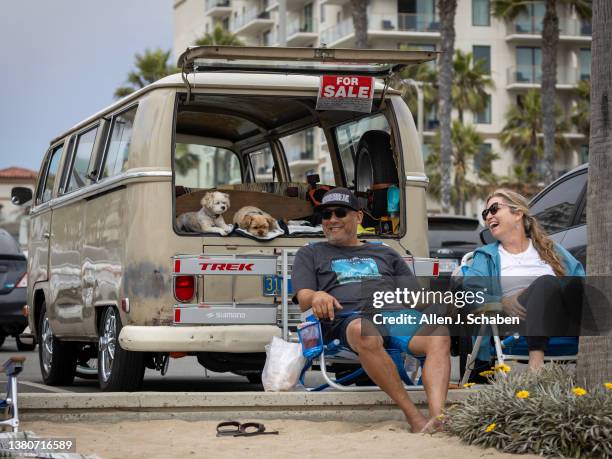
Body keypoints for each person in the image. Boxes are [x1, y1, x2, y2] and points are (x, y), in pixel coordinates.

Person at [292, 187, 450, 433]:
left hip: (394, 314)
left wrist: (443, 298)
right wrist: (317, 295)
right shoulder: (310, 253)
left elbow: (413, 298)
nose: (332, 219)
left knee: (438, 334)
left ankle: (438, 417)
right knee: (362, 331)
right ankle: (414, 417)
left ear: (358, 217)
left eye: (340, 212)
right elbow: (303, 298)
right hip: (348, 318)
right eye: (325, 215)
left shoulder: (385, 252)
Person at [462, 188, 585, 370]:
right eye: (485, 213)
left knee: (575, 284)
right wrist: (500, 302)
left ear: (518, 213)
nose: (488, 217)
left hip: (562, 318)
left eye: (494, 209)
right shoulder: (486, 256)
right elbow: (470, 292)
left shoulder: (550, 248)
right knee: (546, 283)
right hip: (517, 320)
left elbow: (580, 280)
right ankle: (536, 363)